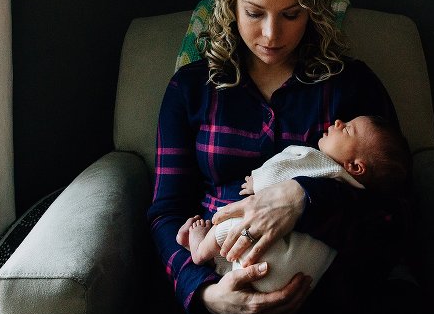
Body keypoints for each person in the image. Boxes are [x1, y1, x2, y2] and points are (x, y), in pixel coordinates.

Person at [147, 0, 422, 314]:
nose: (272, 34)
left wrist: (301, 198)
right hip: (233, 298)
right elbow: (166, 212)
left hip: (345, 296)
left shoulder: (351, 87)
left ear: (312, 10)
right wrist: (207, 295)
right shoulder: (191, 90)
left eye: (291, 15)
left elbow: (394, 210)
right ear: (230, 6)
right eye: (254, 13)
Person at [176, 115, 410, 293]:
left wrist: (256, 182)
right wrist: (205, 295)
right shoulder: (357, 194)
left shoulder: (319, 162)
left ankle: (200, 249)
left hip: (266, 261)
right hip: (294, 281)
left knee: (234, 222)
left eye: (347, 129)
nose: (338, 122)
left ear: (356, 167)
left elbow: (278, 174)